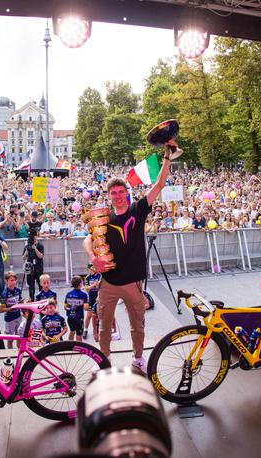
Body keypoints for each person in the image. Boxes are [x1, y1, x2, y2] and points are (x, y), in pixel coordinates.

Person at [83, 139, 174, 371]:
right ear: (109, 196)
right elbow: (87, 239)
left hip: (133, 283)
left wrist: (167, 157)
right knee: (103, 326)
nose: (117, 196)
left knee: (138, 324)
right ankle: (104, 361)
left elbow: (160, 184)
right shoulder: (104, 218)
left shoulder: (138, 210)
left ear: (127, 193)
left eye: (121, 191)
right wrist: (93, 258)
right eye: (113, 193)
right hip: (109, 283)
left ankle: (138, 357)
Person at [0, 271, 22, 349]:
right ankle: (11, 355)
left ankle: (20, 353)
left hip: (19, 317)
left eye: (15, 280)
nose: (14, 282)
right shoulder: (4, 294)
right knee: (10, 340)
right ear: (6, 281)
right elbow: (1, 309)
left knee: (20, 338)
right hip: (10, 319)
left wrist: (22, 303)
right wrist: (12, 308)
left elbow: (20, 301)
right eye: (11, 280)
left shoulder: (18, 291)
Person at [64, 276, 88, 342]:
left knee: (72, 331)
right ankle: (79, 350)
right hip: (79, 318)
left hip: (70, 318)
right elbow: (86, 308)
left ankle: (70, 347)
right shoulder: (83, 295)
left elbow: (65, 307)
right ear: (80, 284)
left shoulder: (68, 294)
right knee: (79, 335)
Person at [23, 233, 44, 301]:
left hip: (38, 267)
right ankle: (31, 298)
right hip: (30, 268)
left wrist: (35, 248)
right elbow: (23, 257)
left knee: (40, 284)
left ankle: (41, 298)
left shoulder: (40, 245)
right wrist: (27, 250)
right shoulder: (27, 246)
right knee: (31, 285)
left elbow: (40, 256)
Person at [83, 263, 101, 341]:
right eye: (89, 269)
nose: (90, 271)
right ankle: (85, 329)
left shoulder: (99, 275)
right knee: (89, 315)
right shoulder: (87, 277)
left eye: (92, 269)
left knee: (100, 314)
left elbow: (101, 286)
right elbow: (86, 288)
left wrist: (97, 286)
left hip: (99, 296)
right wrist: (94, 285)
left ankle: (100, 330)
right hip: (91, 297)